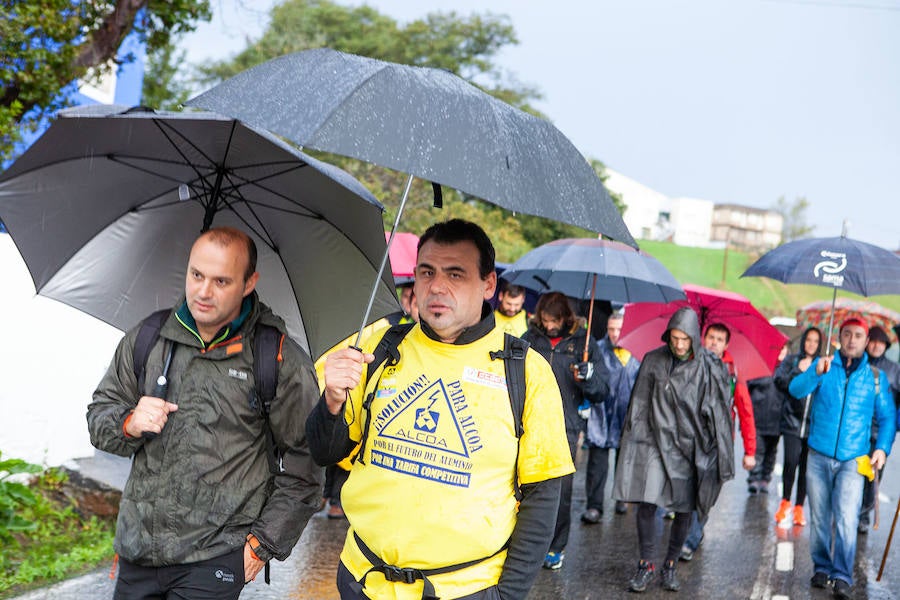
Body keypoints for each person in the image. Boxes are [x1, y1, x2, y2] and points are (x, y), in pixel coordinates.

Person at [306, 219, 574, 599]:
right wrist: (332, 400)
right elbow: (325, 451)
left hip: (466, 589)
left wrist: (507, 595)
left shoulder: (527, 371)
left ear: (488, 285)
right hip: (362, 579)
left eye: (456, 274)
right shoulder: (377, 348)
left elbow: (543, 497)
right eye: (427, 272)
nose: (437, 287)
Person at [87, 227, 322, 599]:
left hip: (215, 559)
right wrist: (129, 423)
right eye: (196, 275)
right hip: (138, 552)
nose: (203, 291)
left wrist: (261, 546)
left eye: (221, 280)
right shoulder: (149, 337)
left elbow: (306, 467)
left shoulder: (276, 358)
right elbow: (100, 417)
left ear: (249, 283)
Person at [614, 307, 734, 593]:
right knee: (646, 500)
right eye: (675, 338)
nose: (679, 345)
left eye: (685, 339)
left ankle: (669, 564)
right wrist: (636, 443)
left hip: (689, 446)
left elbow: (719, 412)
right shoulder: (654, 360)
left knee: (684, 507)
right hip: (655, 440)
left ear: (694, 337)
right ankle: (646, 563)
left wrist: (716, 452)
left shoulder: (710, 366)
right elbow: (639, 404)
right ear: (668, 334)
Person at [789, 318, 896, 599]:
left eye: (858, 335)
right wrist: (814, 373)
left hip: (853, 460)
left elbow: (887, 418)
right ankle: (822, 567)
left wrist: (882, 448)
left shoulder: (875, 377)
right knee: (821, 517)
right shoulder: (824, 367)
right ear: (838, 337)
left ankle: (842, 576)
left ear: (865, 340)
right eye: (846, 334)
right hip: (818, 455)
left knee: (847, 518)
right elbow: (796, 390)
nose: (852, 340)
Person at [522, 292, 609, 569]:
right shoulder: (529, 338)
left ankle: (556, 547)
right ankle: (524, 545)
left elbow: (601, 392)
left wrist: (588, 376)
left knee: (560, 492)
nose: (549, 326)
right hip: (528, 423)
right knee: (525, 487)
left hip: (566, 428)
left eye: (554, 321)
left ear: (566, 318)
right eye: (545, 320)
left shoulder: (584, 343)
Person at [679, 322, 756, 562]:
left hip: (718, 444)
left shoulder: (733, 372)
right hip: (690, 438)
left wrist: (749, 451)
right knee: (687, 489)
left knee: (707, 491)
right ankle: (691, 532)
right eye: (710, 337)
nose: (713, 342)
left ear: (726, 344)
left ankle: (691, 538)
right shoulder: (690, 363)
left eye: (719, 339)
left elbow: (745, 411)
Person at [582, 310, 640, 522]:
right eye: (611, 329)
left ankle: (622, 497)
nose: (615, 334)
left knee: (625, 461)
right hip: (601, 414)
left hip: (627, 414)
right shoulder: (597, 348)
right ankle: (594, 505)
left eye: (619, 329)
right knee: (597, 463)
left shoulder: (636, 352)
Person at [773, 327, 823, 527]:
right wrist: (798, 371)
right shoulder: (792, 360)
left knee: (805, 468)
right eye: (808, 340)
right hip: (792, 422)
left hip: (812, 426)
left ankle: (799, 507)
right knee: (790, 463)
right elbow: (779, 380)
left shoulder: (822, 364)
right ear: (803, 341)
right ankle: (785, 502)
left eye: (815, 341)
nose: (811, 344)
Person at [858, 326, 900, 533]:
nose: (876, 346)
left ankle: (864, 514)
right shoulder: (859, 364)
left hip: (882, 431)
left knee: (873, 476)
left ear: (886, 346)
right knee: (854, 473)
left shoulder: (894, 369)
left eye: (881, 342)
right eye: (872, 341)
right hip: (859, 430)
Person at [746, 344, 790, 499]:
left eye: (783, 350)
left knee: (771, 451)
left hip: (777, 419)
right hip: (758, 417)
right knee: (758, 450)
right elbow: (747, 388)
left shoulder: (787, 370)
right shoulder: (759, 368)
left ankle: (765, 478)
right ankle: (754, 478)